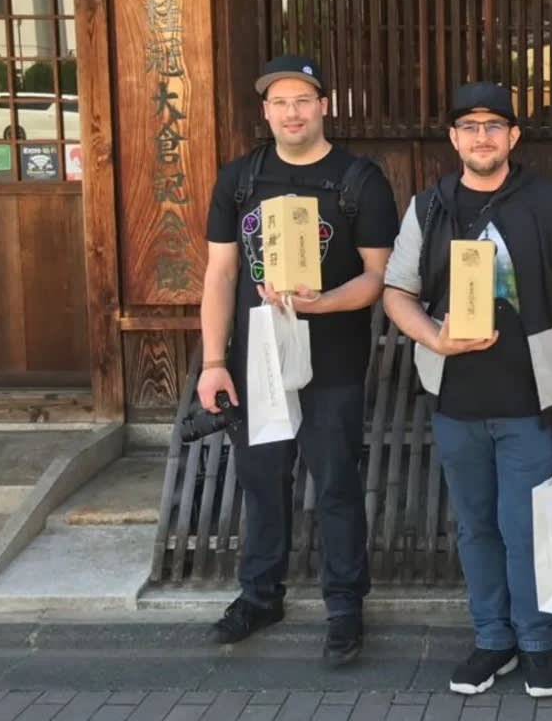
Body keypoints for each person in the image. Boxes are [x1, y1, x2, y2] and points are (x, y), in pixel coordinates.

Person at [381, 81, 552, 699]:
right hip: (455, 398)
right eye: (469, 126)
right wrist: (433, 337)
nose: (482, 137)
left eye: (494, 125)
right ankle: (492, 638)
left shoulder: (551, 205)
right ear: (453, 138)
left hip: (531, 400)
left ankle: (537, 641)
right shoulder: (428, 207)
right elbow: (396, 292)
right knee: (476, 526)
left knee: (526, 527)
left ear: (513, 136)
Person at [197, 54, 398, 666]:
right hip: (256, 357)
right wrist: (213, 362)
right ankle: (261, 594)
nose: (292, 112)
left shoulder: (359, 180)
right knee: (262, 480)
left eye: (303, 100)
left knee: (336, 482)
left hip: (332, 357)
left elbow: (379, 277)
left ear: (323, 106)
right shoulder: (240, 179)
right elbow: (220, 273)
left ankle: (345, 604)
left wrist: (323, 303)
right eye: (280, 102)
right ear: (266, 110)